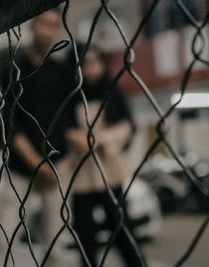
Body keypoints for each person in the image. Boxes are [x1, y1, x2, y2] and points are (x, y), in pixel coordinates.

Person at [0, 8, 73, 267]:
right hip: (20, 165)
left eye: (53, 25)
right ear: (32, 25)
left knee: (56, 245)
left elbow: (71, 122)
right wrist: (37, 163)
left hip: (58, 164)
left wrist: (66, 162)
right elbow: (10, 123)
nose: (48, 30)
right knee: (4, 239)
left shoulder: (62, 71)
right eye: (44, 23)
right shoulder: (13, 67)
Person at [65, 44, 144, 267]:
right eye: (86, 64)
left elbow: (126, 127)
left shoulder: (111, 89)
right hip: (81, 177)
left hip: (110, 174)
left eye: (96, 62)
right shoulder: (70, 94)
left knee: (123, 232)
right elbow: (68, 135)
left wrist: (94, 140)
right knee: (86, 240)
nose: (92, 69)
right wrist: (102, 138)